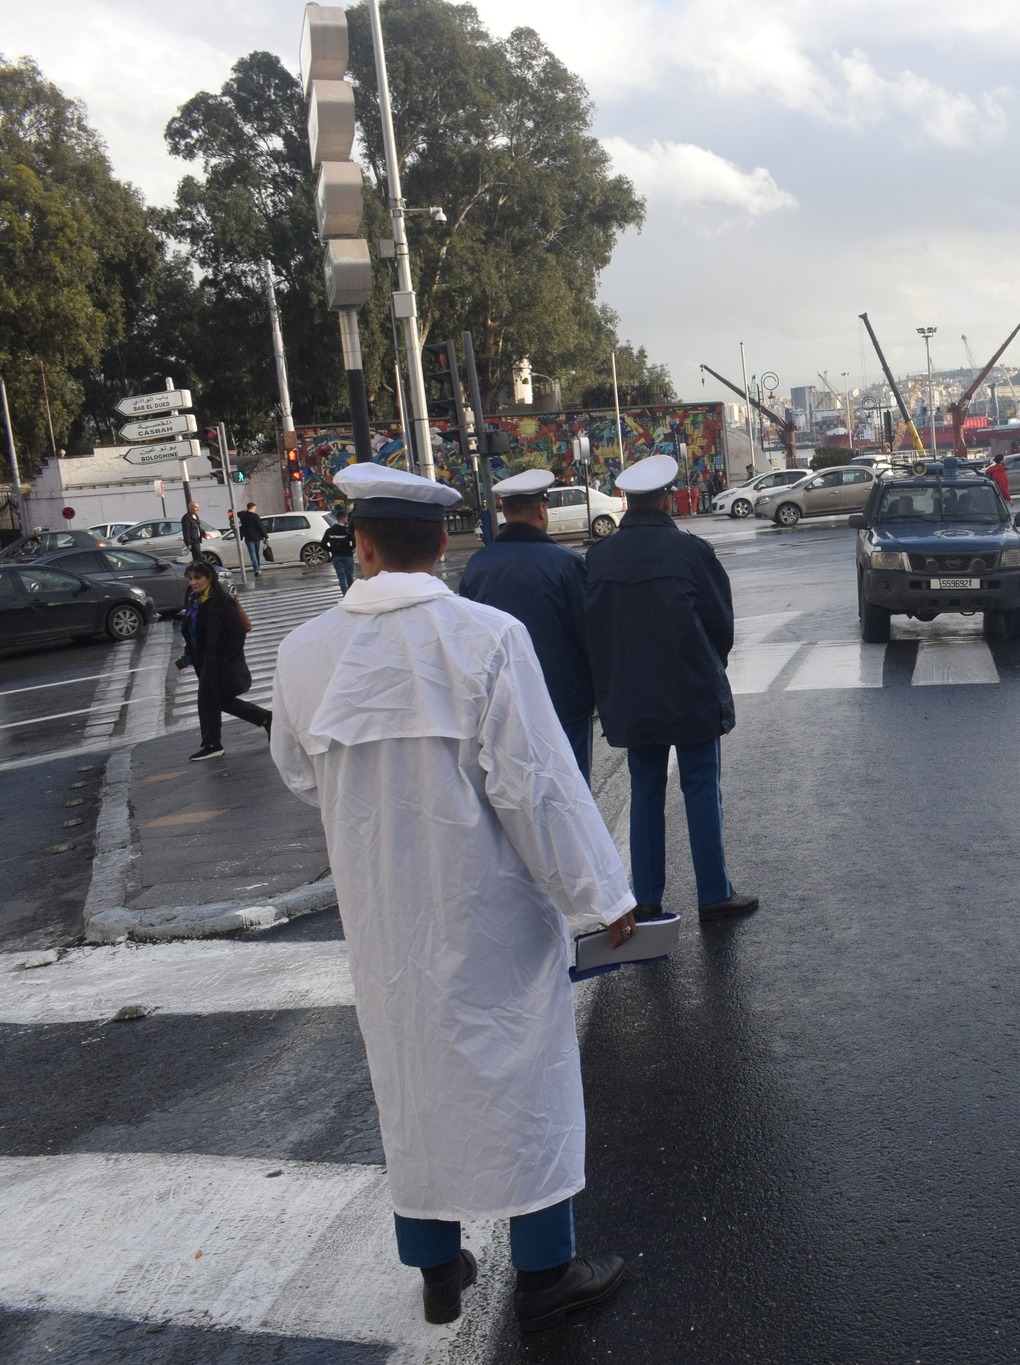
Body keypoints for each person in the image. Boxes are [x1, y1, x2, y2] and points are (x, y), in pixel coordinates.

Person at [269, 462, 636, 1333]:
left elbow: (294, 770)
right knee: (523, 1076)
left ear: (359, 545)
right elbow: (537, 787)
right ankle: (547, 1271)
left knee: (412, 1080)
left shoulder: (303, 652)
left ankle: (436, 1264)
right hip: (489, 909)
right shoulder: (488, 639)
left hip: (384, 916)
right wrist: (604, 895)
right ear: (442, 544)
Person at [586, 453, 757, 922]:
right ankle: (713, 895)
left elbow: (594, 629)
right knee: (701, 787)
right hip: (690, 689)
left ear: (625, 500)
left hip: (632, 695)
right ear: (666, 499)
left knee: (645, 790)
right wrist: (708, 666)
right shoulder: (692, 552)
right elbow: (721, 624)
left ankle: (646, 899)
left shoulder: (598, 557)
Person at [460, 468, 596, 780]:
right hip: (563, 697)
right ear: (541, 509)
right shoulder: (565, 562)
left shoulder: (478, 565)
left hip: (500, 699)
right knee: (571, 785)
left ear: (505, 512)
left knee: (512, 787)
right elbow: (588, 633)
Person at [178, 561, 271, 761]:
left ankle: (212, 743)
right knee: (219, 700)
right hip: (203, 660)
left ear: (209, 577)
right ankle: (266, 718)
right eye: (191, 579)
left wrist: (227, 658)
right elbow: (191, 630)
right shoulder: (195, 600)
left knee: (207, 701)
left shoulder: (220, 601)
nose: (193, 582)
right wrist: (188, 654)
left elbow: (238, 631)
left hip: (218, 662)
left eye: (198, 578)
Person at [320, 506, 357, 594]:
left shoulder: (329, 531)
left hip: (336, 557)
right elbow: (354, 542)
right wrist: (351, 549)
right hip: (347, 556)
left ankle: (345, 595)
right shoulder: (347, 531)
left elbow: (323, 544)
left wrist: (331, 549)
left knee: (341, 578)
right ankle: (351, 595)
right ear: (344, 518)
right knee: (349, 577)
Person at [238, 502, 267, 574]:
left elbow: (238, 513)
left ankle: (256, 568)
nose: (255, 510)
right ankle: (258, 567)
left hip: (248, 538)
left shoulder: (243, 516)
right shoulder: (255, 516)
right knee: (256, 553)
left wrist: (245, 510)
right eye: (255, 508)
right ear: (253, 508)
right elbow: (261, 527)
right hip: (256, 537)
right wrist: (265, 536)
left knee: (252, 553)